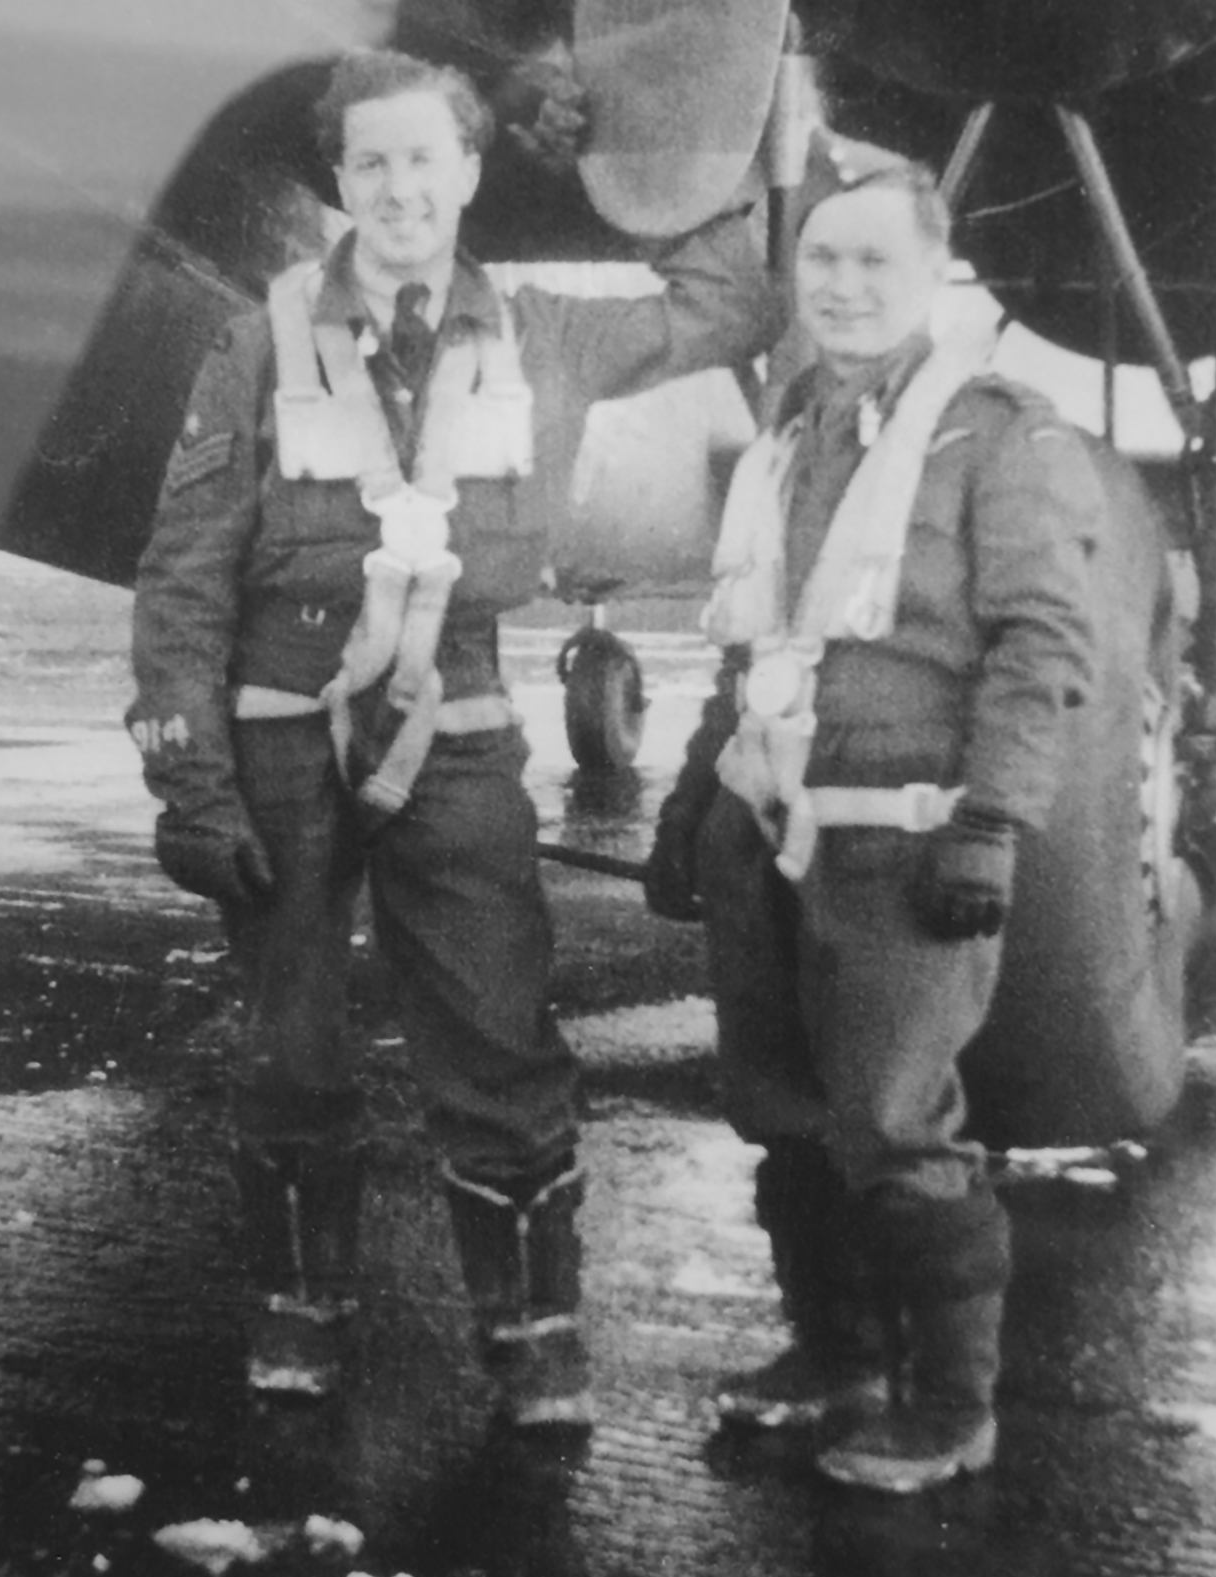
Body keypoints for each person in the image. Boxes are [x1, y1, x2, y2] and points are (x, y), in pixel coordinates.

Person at [127, 47, 777, 1424]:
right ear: (339, 179)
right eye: (370, 161)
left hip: (461, 727)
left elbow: (728, 302)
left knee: (498, 1036)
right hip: (283, 732)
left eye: (426, 157)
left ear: (472, 171)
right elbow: (182, 572)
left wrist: (653, 144)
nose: (400, 188)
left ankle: (535, 1336)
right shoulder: (257, 344)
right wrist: (192, 783)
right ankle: (299, 1314)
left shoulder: (547, 334)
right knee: (288, 1046)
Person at [644, 131, 1101, 1492]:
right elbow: (755, 645)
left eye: (873, 263)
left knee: (896, 1120)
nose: (842, 286)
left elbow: (1043, 645)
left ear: (936, 272)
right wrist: (690, 799)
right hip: (765, 825)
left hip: (903, 837)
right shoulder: (789, 434)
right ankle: (834, 1357)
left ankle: (952, 1406)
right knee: (782, 1109)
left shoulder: (998, 435)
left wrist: (991, 823)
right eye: (823, 260)